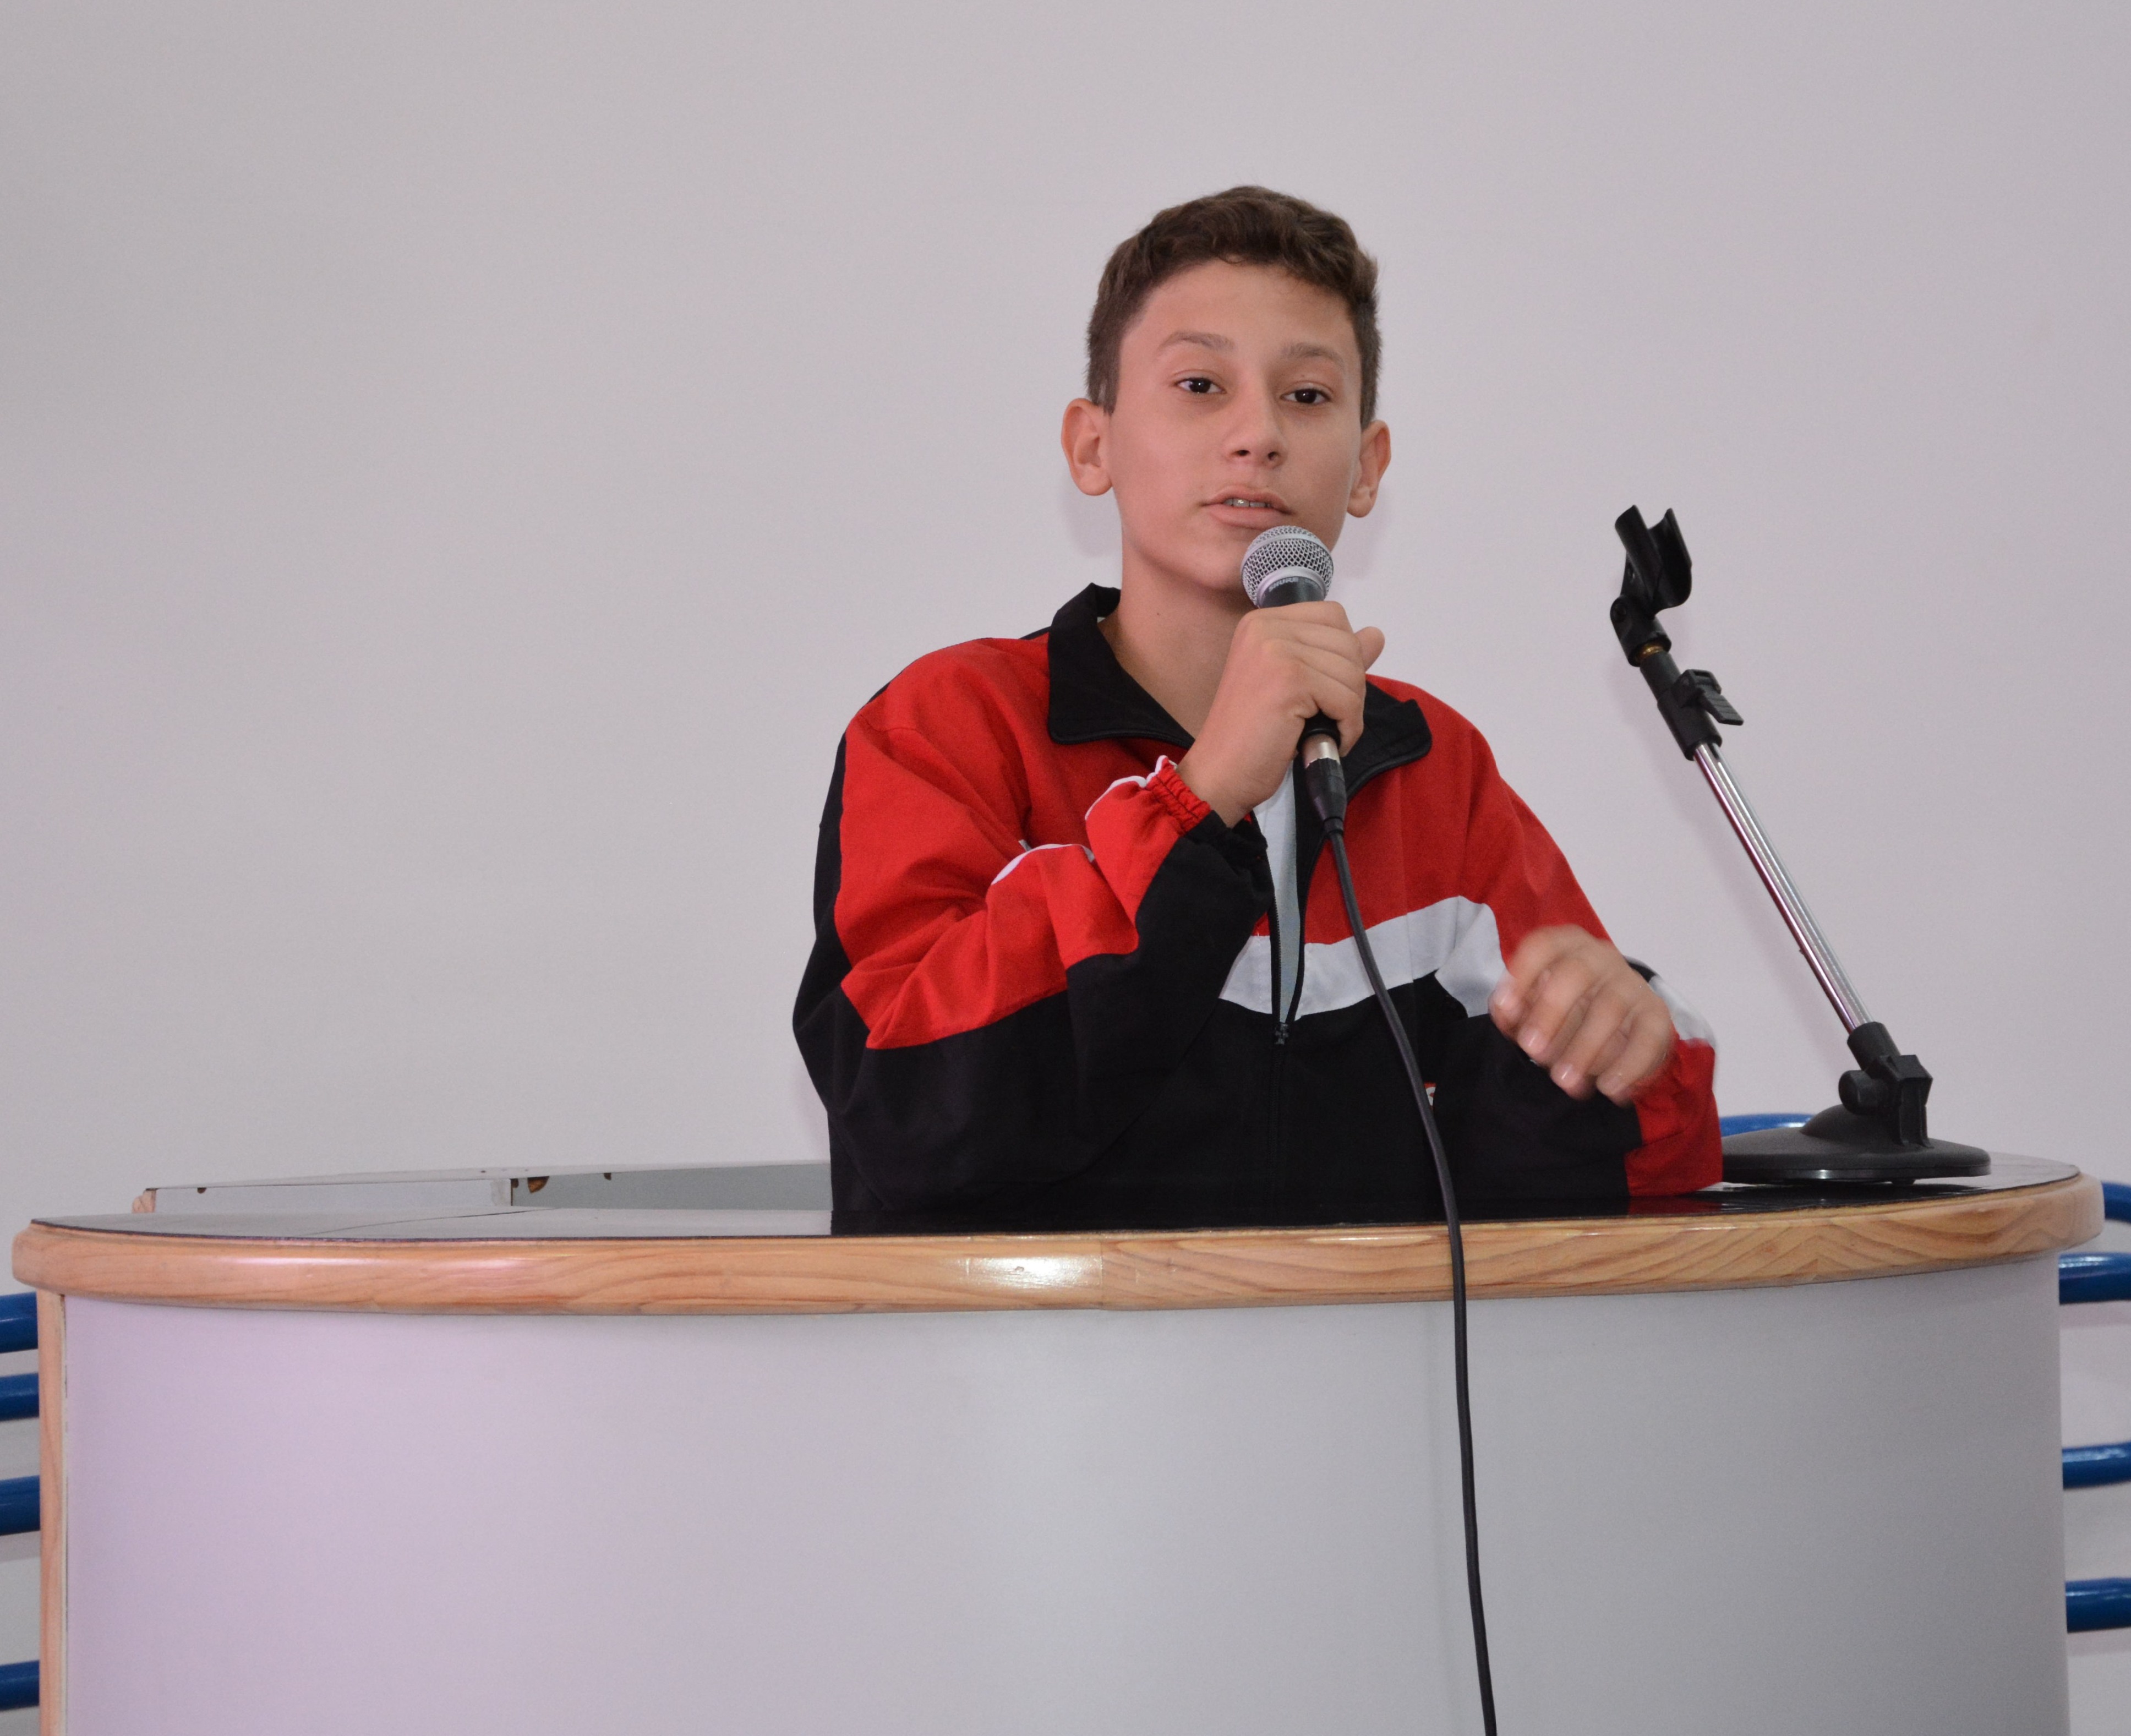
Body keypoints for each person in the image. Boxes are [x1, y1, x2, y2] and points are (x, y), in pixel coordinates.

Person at [794, 187, 1720, 1219]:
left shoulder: (1433, 769)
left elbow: (1573, 1197)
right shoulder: (950, 723)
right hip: (1036, 1333)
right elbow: (903, 1106)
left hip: (1352, 1334)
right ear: (1093, 446)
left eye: (1308, 396)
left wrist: (1614, 1053)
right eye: (1200, 384)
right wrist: (1198, 799)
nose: (1258, 434)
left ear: (1366, 467)